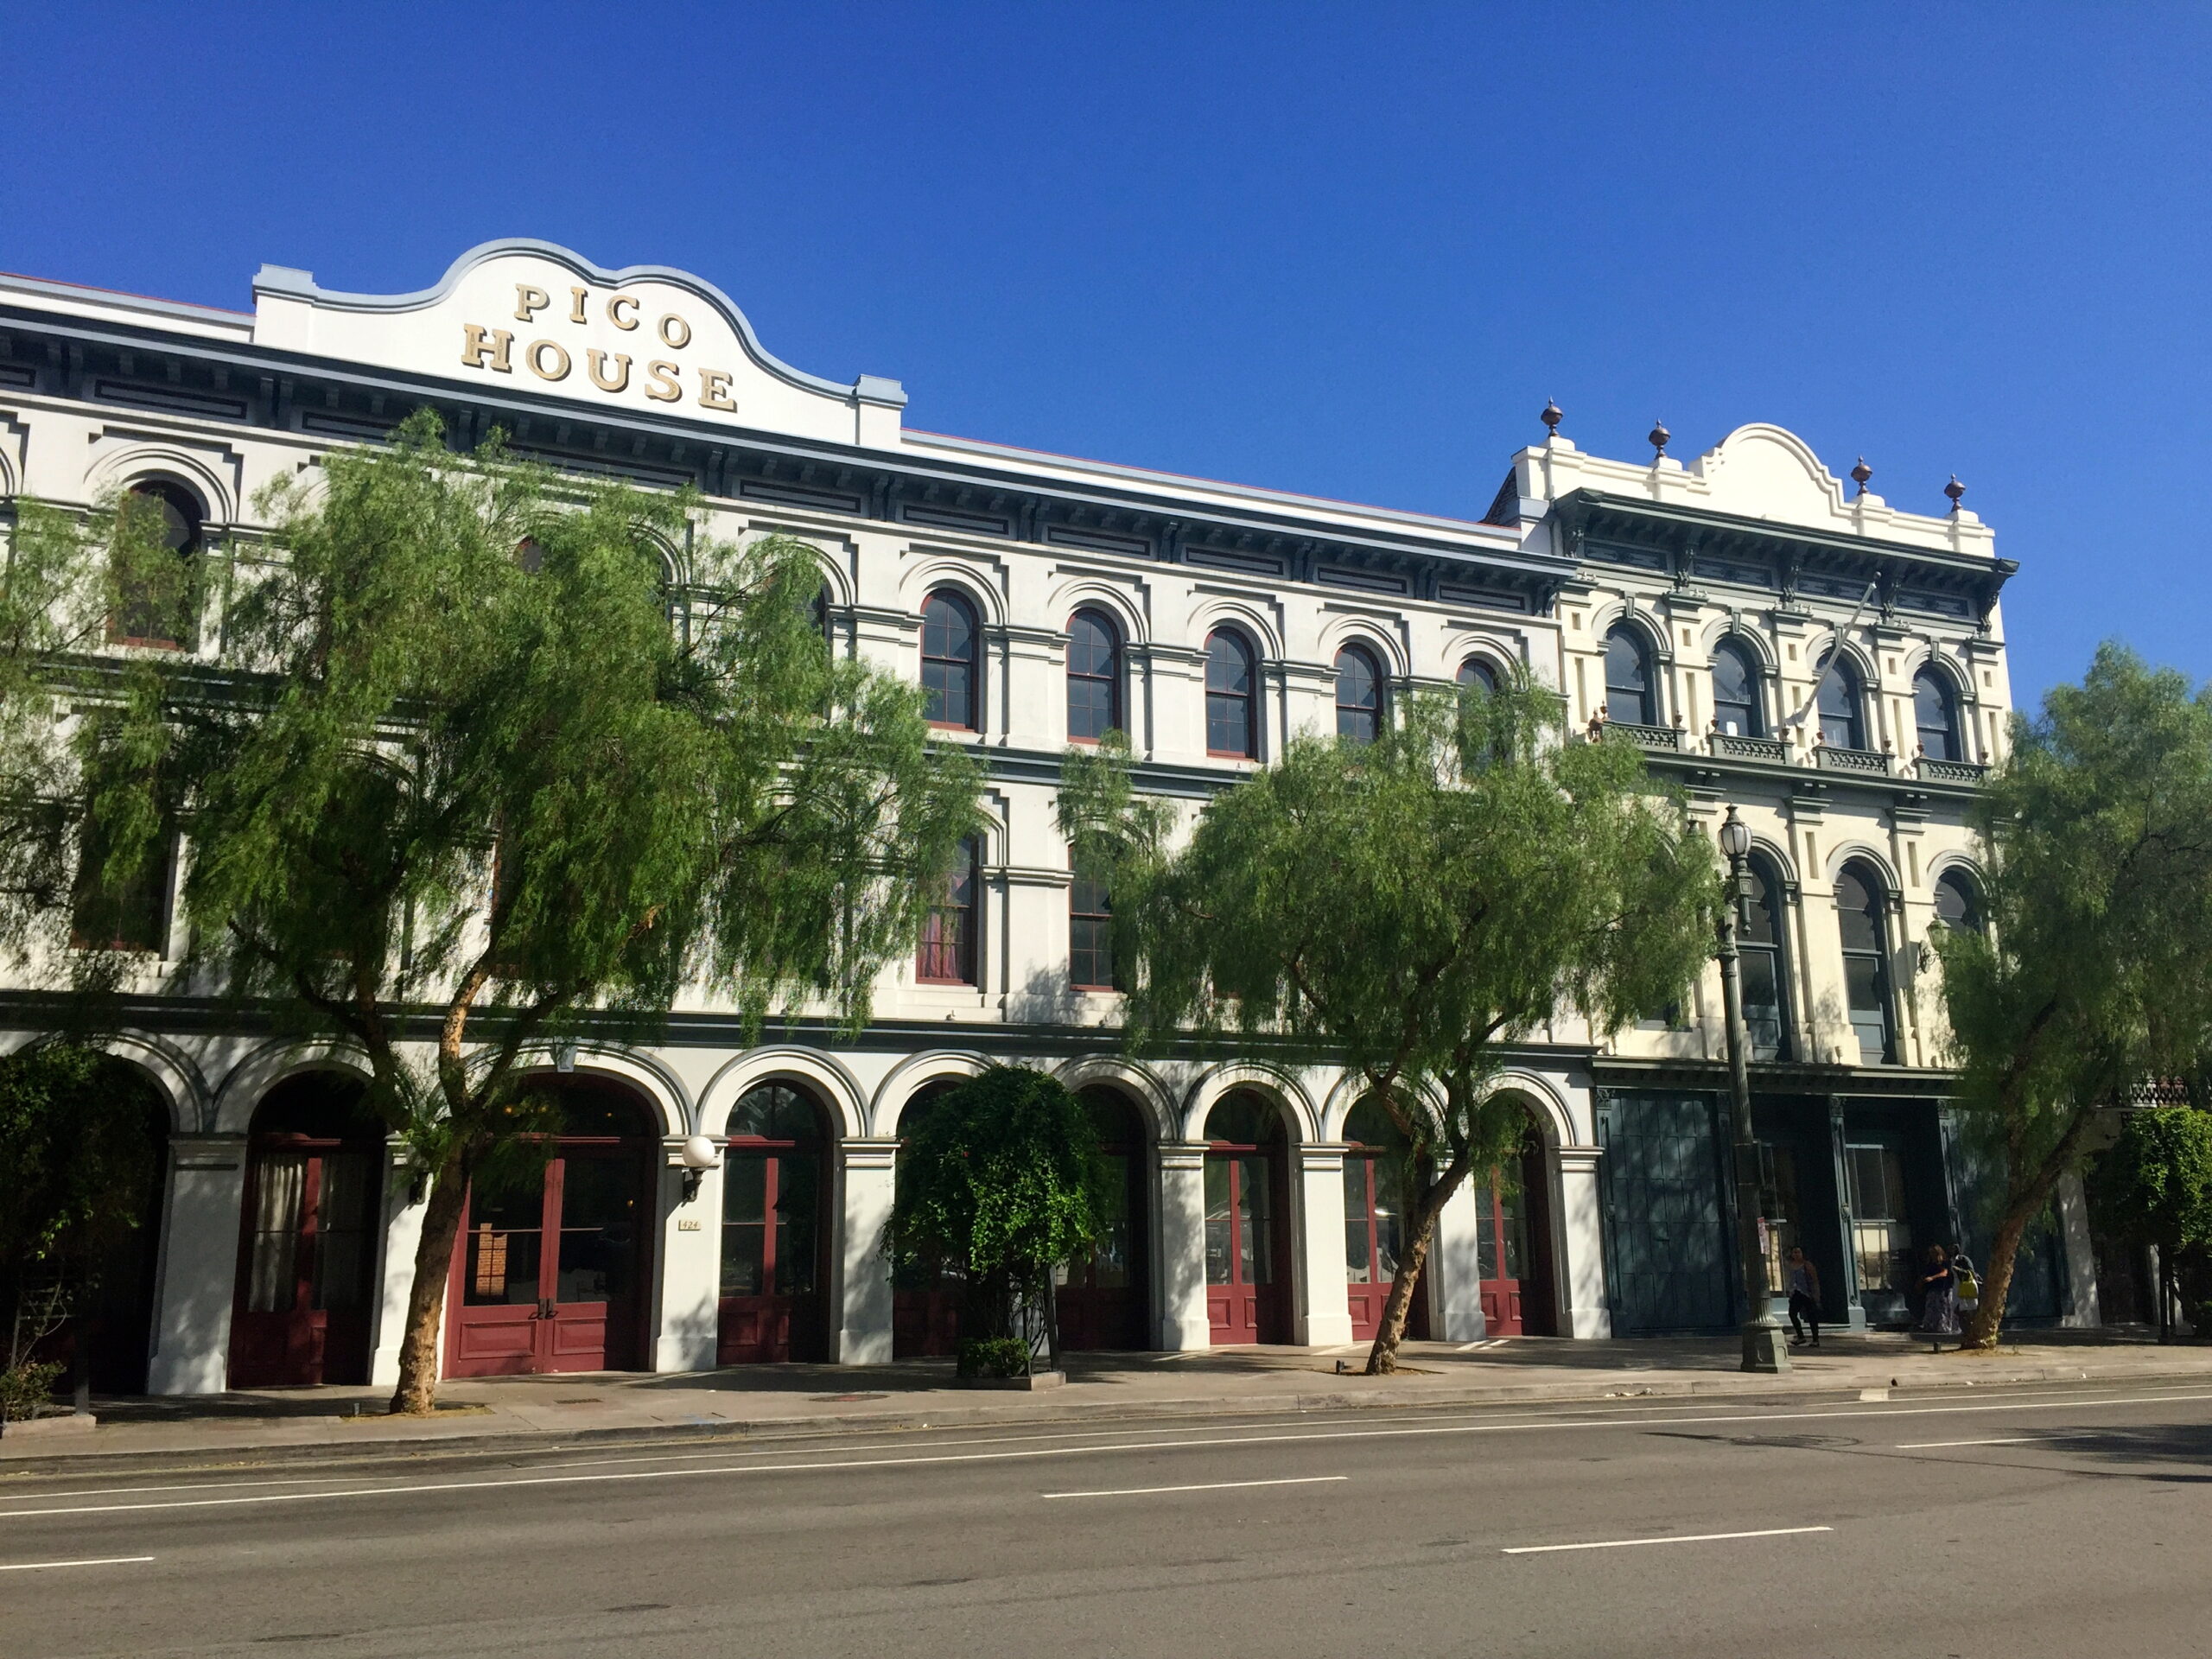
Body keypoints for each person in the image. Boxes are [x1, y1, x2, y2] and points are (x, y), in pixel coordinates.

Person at [1916, 1243, 1960, 1344]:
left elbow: (1945, 1273)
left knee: (1943, 1308)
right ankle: (1930, 1325)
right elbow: (1925, 1273)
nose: (1931, 1255)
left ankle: (1944, 1327)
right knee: (1931, 1307)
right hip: (1932, 1289)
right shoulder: (1930, 1264)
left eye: (1933, 1253)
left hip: (1943, 1289)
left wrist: (1933, 1278)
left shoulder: (1944, 1263)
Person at [1785, 1246, 1822, 1347]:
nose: (1796, 1255)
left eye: (1798, 1252)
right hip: (1795, 1293)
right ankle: (1801, 1336)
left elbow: (1814, 1280)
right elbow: (1791, 1280)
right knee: (1792, 1313)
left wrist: (1816, 1294)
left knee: (1811, 1316)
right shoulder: (1791, 1266)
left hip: (1807, 1293)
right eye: (1794, 1253)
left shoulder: (1807, 1265)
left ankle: (1815, 1339)